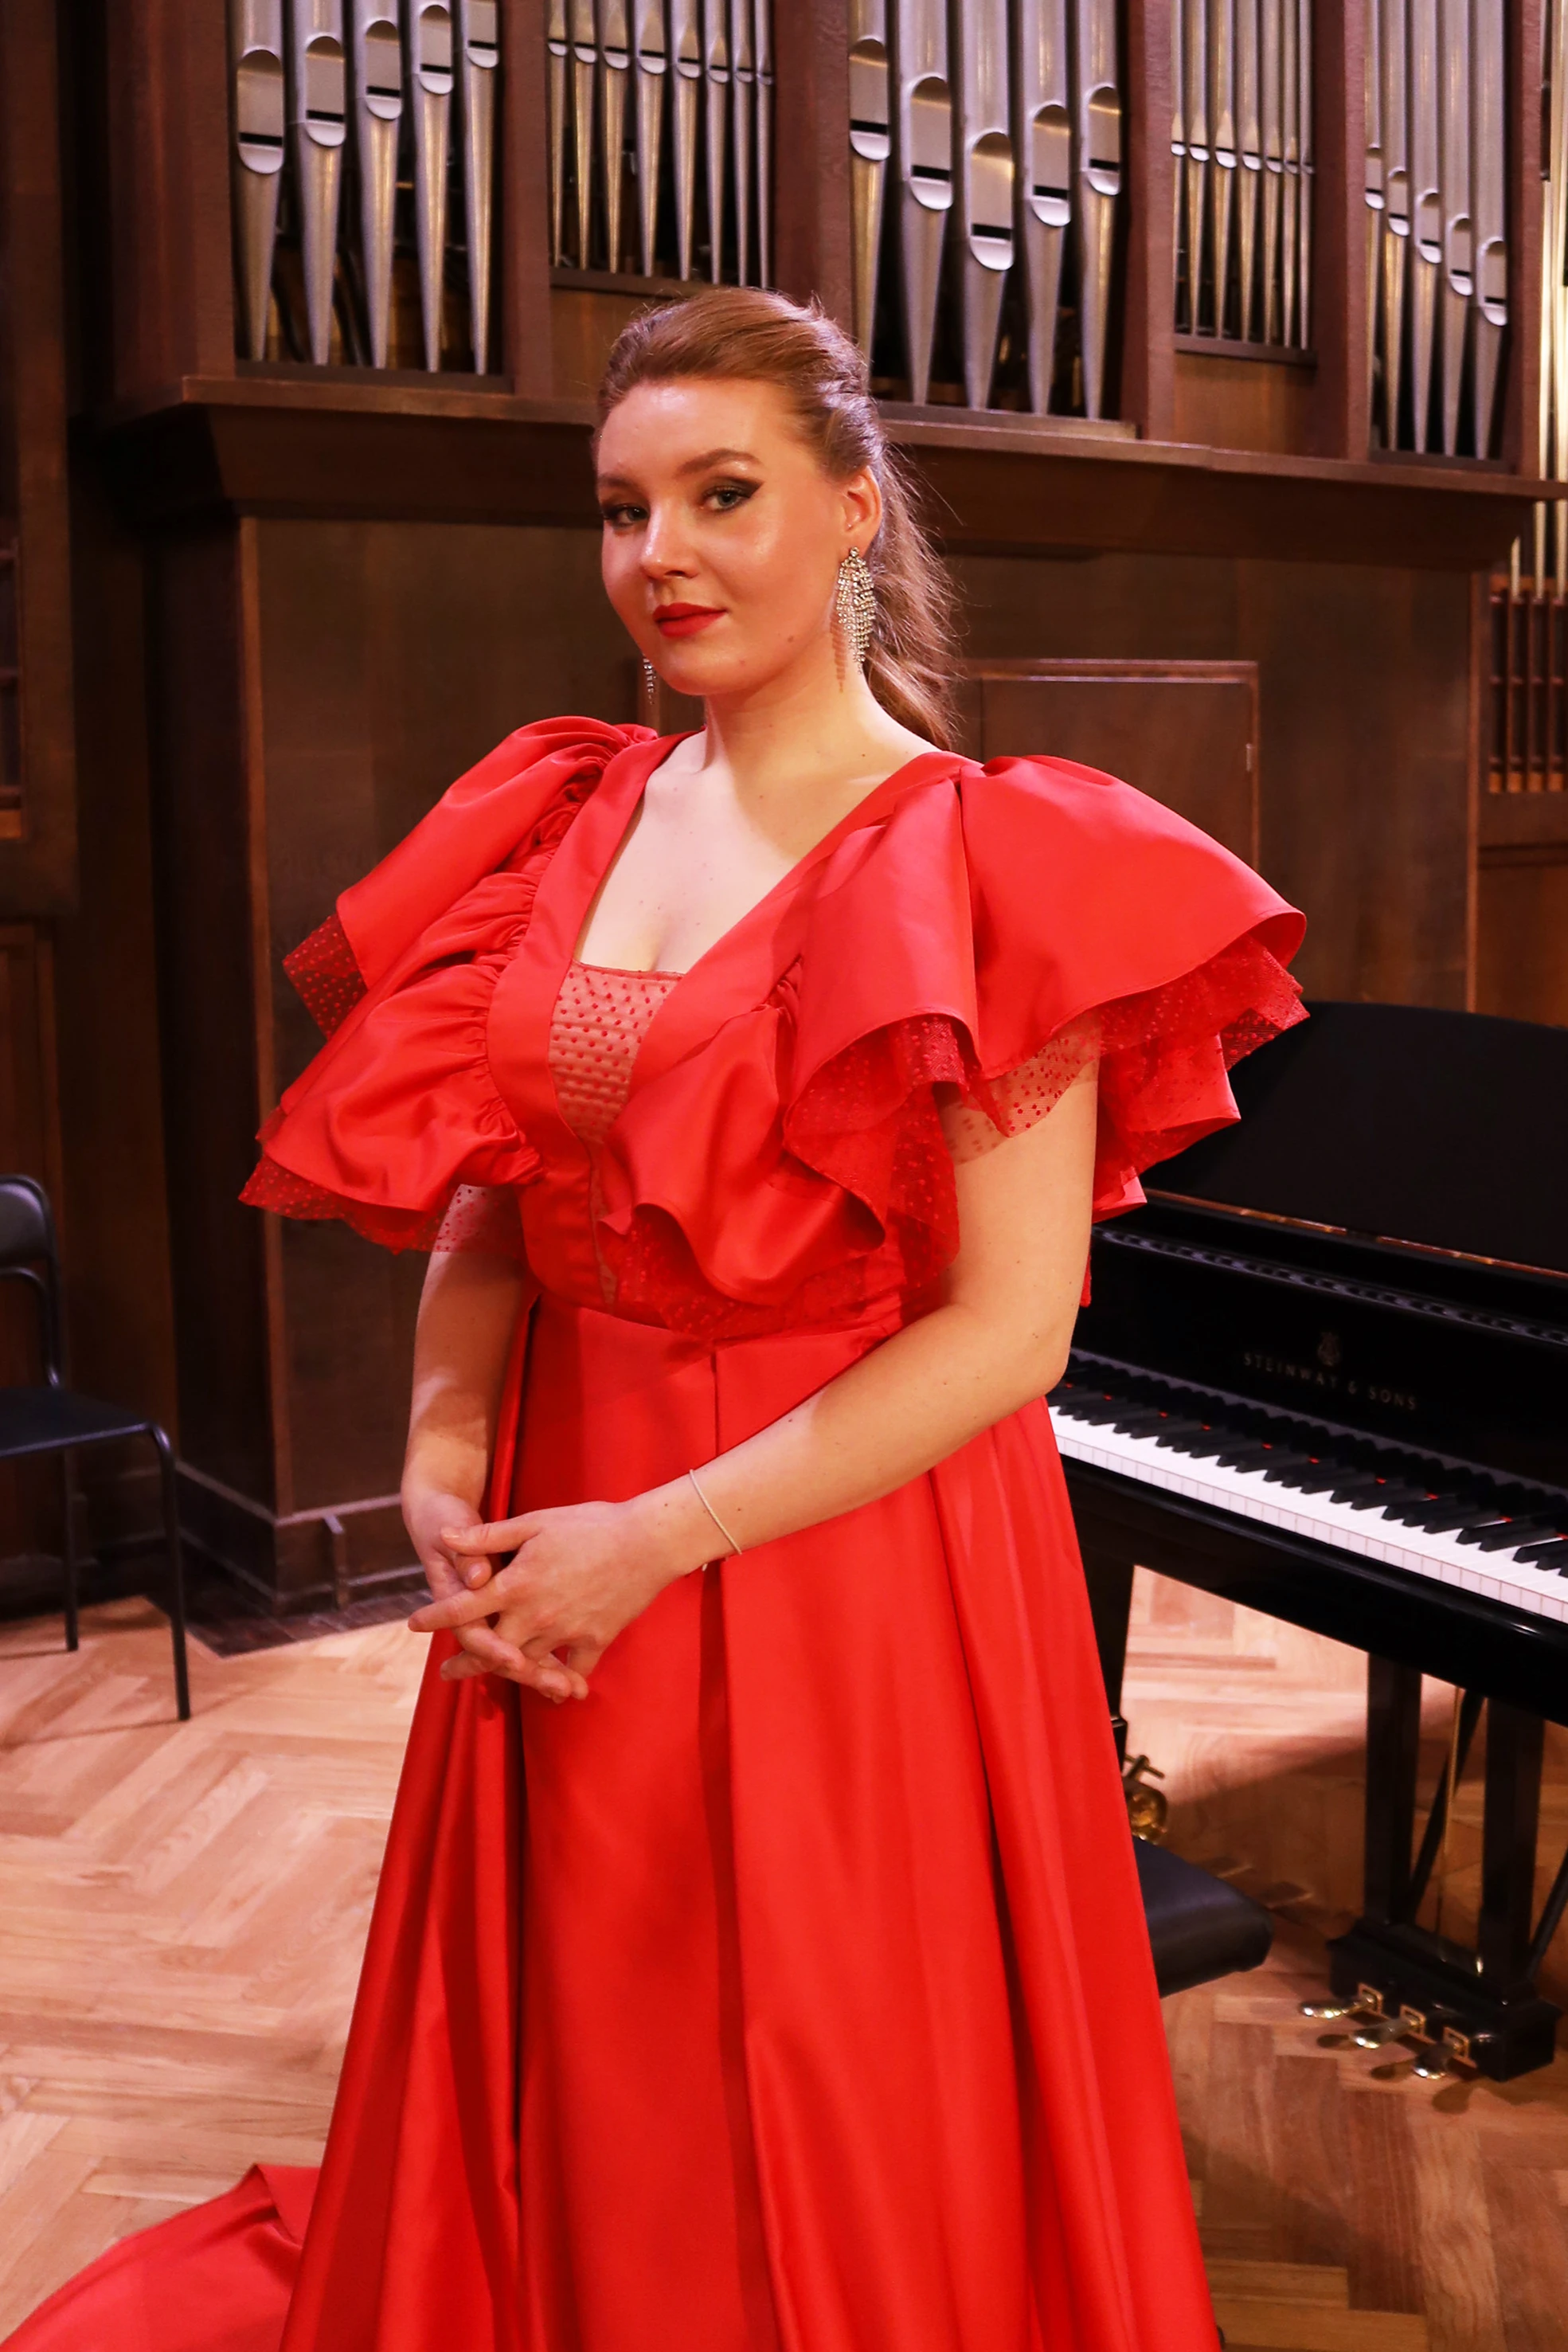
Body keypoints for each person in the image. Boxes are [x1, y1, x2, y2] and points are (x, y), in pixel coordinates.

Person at [8, 287, 1304, 2352]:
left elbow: (1010, 1337)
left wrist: (658, 1537)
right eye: (623, 511)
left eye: (722, 495)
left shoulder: (992, 860)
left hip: (837, 1547)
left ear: (854, 508)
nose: (662, 557)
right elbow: (503, 1186)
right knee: (592, 2031)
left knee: (819, 2052)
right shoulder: (571, 806)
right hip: (564, 1494)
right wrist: (443, 1449)